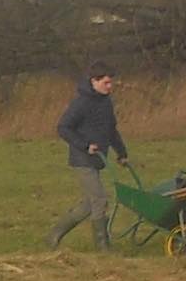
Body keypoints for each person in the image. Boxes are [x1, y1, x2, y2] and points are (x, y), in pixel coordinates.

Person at [43, 65, 130, 251]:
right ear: (94, 82)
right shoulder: (81, 103)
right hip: (82, 159)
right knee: (99, 199)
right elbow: (63, 127)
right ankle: (103, 247)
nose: (110, 86)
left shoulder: (106, 102)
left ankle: (54, 234)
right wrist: (85, 145)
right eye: (106, 82)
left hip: (99, 159)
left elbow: (111, 130)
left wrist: (122, 153)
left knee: (89, 204)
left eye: (110, 82)